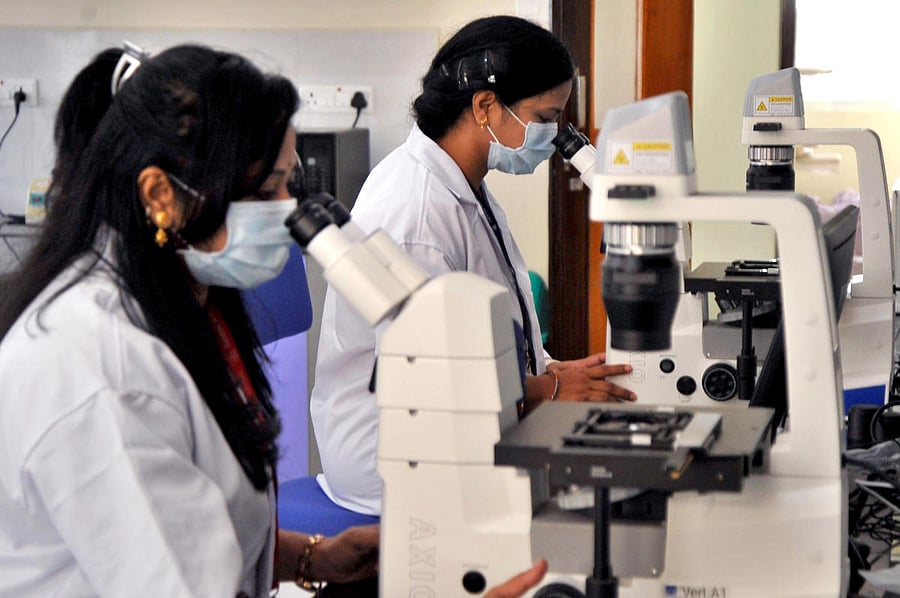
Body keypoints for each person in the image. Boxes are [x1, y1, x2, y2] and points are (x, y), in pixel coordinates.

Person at [0, 42, 549, 598]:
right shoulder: (101, 370)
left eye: (291, 185)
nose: (288, 210)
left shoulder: (182, 301)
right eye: (266, 191)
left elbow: (198, 527)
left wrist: (316, 557)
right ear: (160, 195)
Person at [311, 14, 638, 517]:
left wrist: (551, 368)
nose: (554, 136)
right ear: (485, 106)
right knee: (603, 501)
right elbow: (427, 385)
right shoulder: (416, 213)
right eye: (546, 117)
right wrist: (550, 389)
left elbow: (489, 332)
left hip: (466, 420)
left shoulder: (462, 183)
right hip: (396, 459)